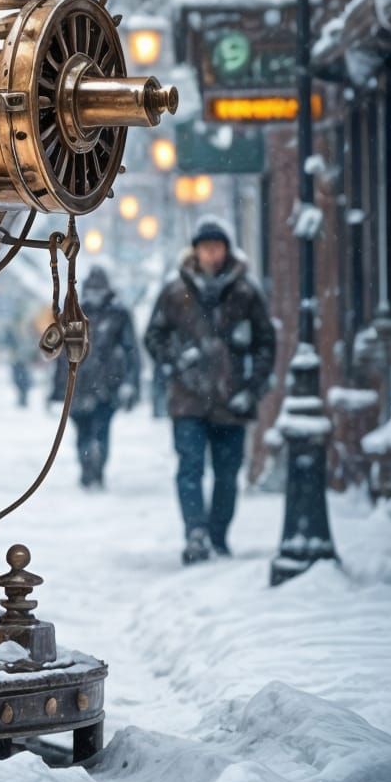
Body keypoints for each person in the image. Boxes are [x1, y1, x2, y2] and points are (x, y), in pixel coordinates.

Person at [143, 216, 275, 565]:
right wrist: (174, 363)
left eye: (217, 248)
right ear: (196, 251)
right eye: (205, 248)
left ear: (227, 251)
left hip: (232, 400)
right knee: (190, 468)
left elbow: (266, 343)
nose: (211, 255)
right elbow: (153, 336)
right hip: (187, 399)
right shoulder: (175, 292)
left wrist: (253, 386)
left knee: (227, 473)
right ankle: (196, 534)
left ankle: (218, 535)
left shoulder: (246, 292)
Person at [50, 264, 140, 489]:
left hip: (108, 384)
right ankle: (87, 467)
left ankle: (97, 469)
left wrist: (130, 382)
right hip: (79, 384)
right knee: (82, 430)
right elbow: (64, 354)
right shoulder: (74, 312)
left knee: (101, 428)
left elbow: (131, 351)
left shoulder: (119, 313)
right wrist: (58, 389)